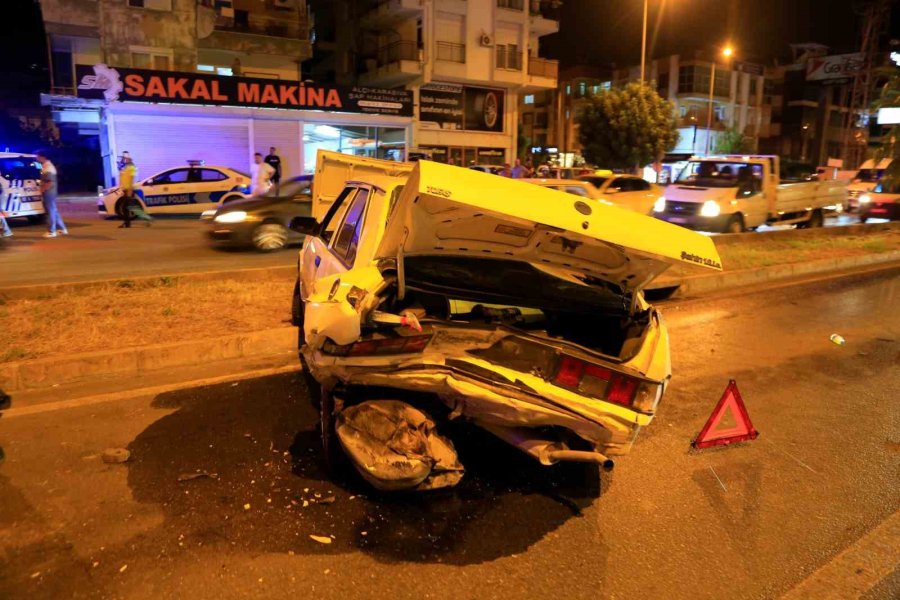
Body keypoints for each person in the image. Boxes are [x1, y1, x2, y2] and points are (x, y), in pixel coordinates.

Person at [35, 150, 67, 238]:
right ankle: (62, 229)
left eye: (37, 156)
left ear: (42, 157)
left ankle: (51, 231)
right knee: (53, 210)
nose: (36, 158)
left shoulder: (48, 167)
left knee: (50, 211)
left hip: (49, 192)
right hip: (50, 192)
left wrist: (43, 190)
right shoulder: (46, 166)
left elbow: (50, 182)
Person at [118, 156, 151, 228]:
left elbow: (131, 179)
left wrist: (130, 190)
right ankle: (127, 223)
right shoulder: (126, 168)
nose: (124, 161)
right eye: (124, 160)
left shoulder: (131, 168)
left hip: (129, 190)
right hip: (126, 190)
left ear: (130, 160)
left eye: (126, 159)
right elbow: (123, 179)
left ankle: (146, 218)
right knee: (127, 207)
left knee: (131, 207)